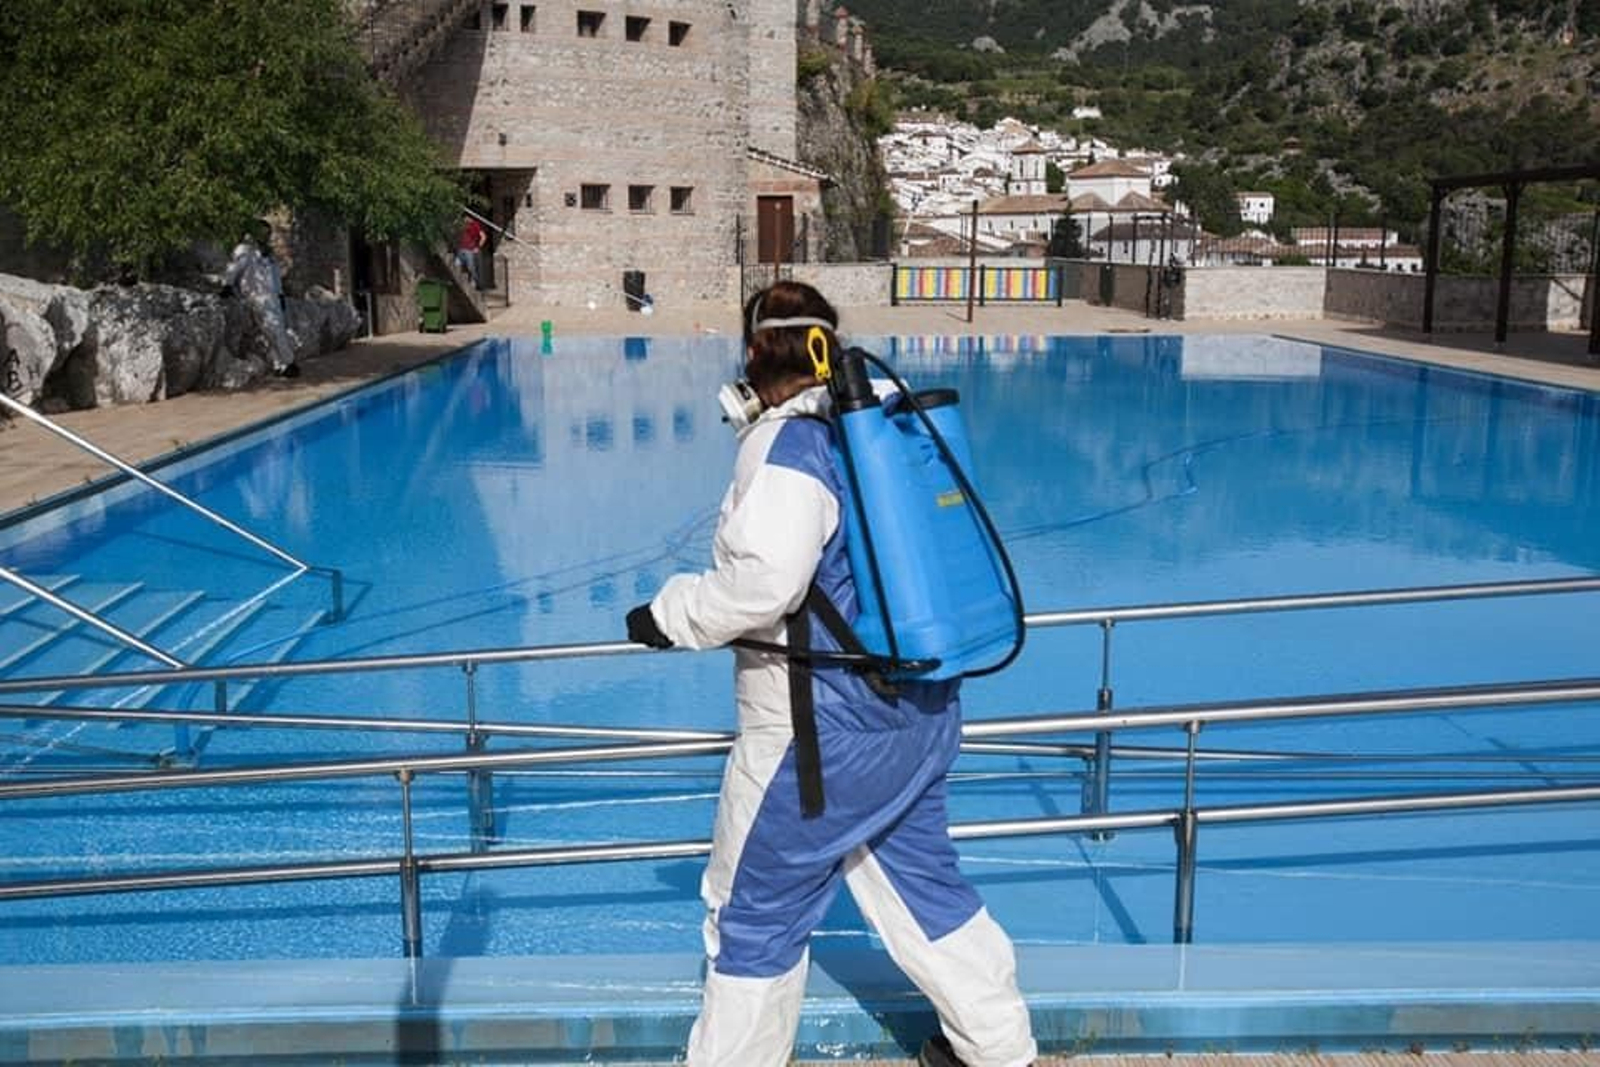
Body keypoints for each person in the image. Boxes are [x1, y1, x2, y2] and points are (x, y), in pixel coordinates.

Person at [624, 281, 1036, 1067]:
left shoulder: (789, 445)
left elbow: (763, 583)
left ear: (753, 352)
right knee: (924, 889)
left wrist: (671, 613)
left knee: (751, 917)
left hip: (821, 738)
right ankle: (1000, 1050)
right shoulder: (878, 427)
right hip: (916, 711)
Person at [222, 228, 298, 378]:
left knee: (274, 331)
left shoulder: (268, 255)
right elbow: (234, 269)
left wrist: (281, 295)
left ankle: (280, 365)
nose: (266, 236)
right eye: (263, 233)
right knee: (274, 330)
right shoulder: (244, 251)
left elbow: (275, 277)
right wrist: (227, 285)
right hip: (258, 296)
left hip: (272, 297)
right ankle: (289, 363)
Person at [455, 214, 487, 290]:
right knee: (457, 263)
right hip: (461, 249)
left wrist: (478, 247)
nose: (465, 220)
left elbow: (483, 236)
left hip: (470, 249)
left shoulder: (475, 224)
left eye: (466, 218)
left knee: (471, 267)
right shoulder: (462, 224)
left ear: (470, 217)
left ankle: (475, 281)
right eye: (464, 218)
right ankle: (468, 279)